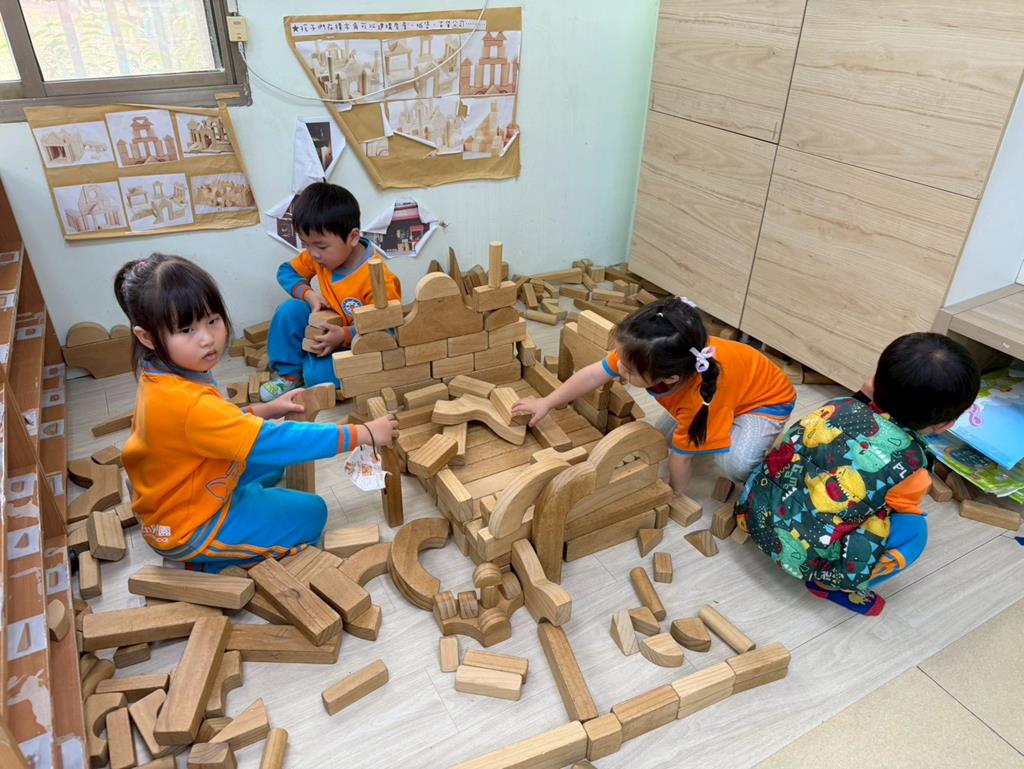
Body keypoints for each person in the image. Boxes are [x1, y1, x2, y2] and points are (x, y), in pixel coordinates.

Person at [115, 253, 397, 572]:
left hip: (187, 486)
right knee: (313, 514)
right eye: (186, 330)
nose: (207, 339)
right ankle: (204, 562)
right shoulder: (184, 401)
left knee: (272, 467)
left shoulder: (164, 373)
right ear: (147, 337)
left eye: (212, 320)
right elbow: (275, 440)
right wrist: (363, 434)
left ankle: (243, 515)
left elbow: (213, 422)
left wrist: (266, 409)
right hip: (188, 528)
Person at [736, 332, 981, 616]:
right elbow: (893, 512)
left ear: (874, 380)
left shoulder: (838, 404)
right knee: (914, 531)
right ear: (944, 425)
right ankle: (830, 584)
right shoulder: (914, 470)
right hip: (806, 559)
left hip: (753, 515)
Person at [512, 296, 796, 495]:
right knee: (661, 439)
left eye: (628, 370)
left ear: (670, 378)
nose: (620, 369)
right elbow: (592, 375)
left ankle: (761, 465)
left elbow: (681, 459)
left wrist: (673, 492)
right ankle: (724, 426)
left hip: (766, 401)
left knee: (734, 465)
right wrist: (547, 402)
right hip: (731, 391)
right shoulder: (640, 354)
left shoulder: (697, 400)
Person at [260, 182, 401, 401]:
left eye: (321, 246)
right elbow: (286, 271)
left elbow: (387, 328)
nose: (313, 254)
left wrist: (344, 335)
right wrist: (309, 294)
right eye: (306, 244)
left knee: (318, 378)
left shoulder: (377, 278)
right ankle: (290, 375)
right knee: (289, 310)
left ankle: (308, 366)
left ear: (353, 237)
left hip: (357, 342)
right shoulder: (319, 256)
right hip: (328, 327)